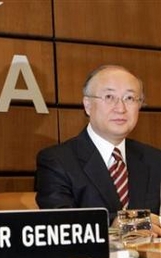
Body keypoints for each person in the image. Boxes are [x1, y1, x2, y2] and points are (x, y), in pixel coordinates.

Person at [35, 65, 161, 236]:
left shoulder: (154, 159)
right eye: (109, 97)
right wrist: (115, 225)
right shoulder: (57, 161)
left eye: (130, 98)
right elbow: (60, 226)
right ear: (87, 105)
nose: (121, 108)